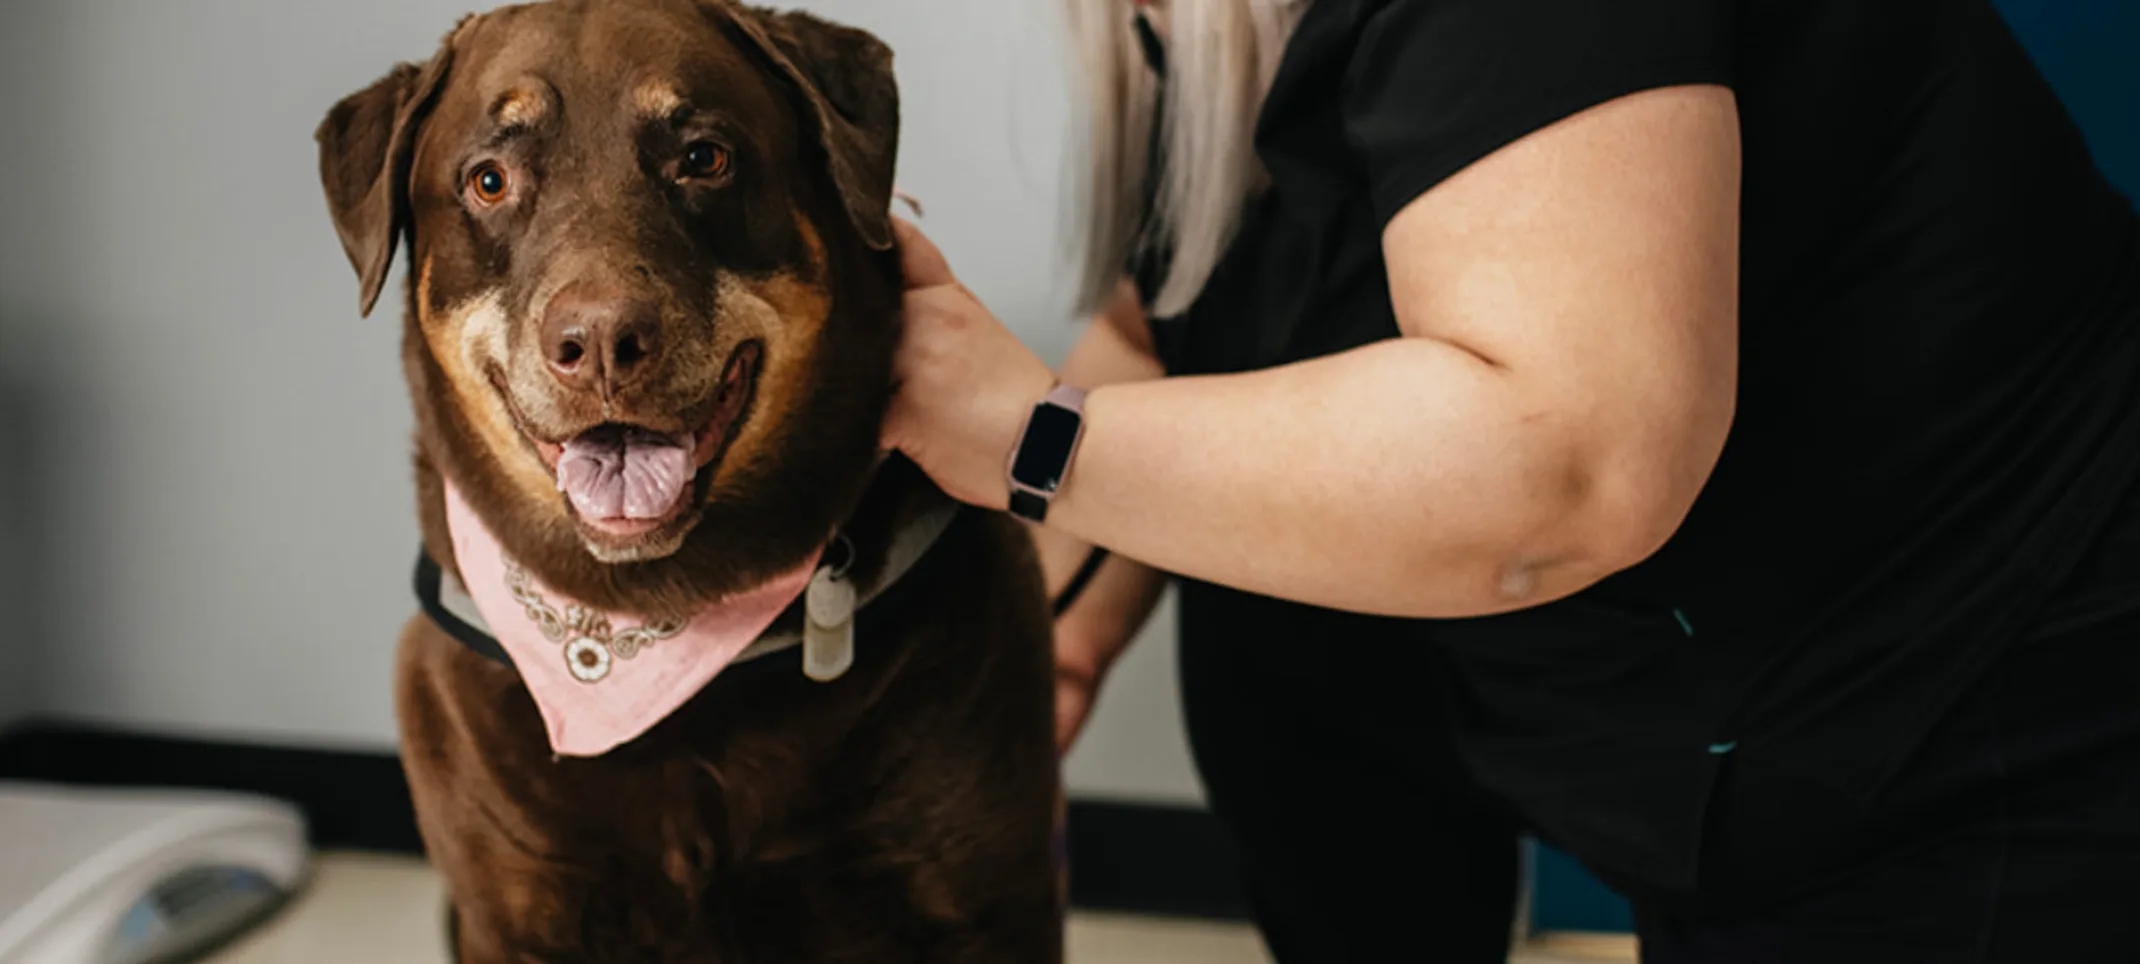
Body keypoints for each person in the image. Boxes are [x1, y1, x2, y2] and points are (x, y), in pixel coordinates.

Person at [882, 0, 2140, 960]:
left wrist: (1018, 437)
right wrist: (1046, 641)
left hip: (1973, 698)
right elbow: (1170, 327)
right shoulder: (1180, 29)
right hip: (1646, 705)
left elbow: (1566, 462)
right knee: (1262, 624)